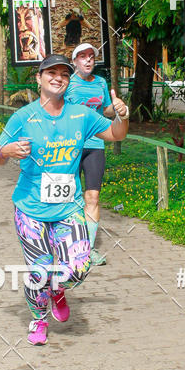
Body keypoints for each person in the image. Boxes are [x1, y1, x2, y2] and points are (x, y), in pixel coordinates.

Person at [0, 54, 129, 346]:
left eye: (64, 74)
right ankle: (39, 320)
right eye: (51, 72)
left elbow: (117, 135)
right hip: (31, 210)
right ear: (39, 78)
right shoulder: (23, 117)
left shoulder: (80, 114)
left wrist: (122, 114)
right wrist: (7, 152)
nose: (58, 78)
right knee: (39, 272)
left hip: (69, 208)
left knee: (79, 268)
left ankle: (57, 288)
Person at [64, 42, 116, 266]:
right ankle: (65, 245)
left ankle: (87, 250)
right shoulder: (67, 82)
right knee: (68, 196)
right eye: (82, 56)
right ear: (74, 61)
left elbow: (106, 111)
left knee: (92, 197)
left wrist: (117, 107)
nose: (88, 60)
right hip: (69, 145)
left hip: (95, 144)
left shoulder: (101, 83)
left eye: (91, 57)